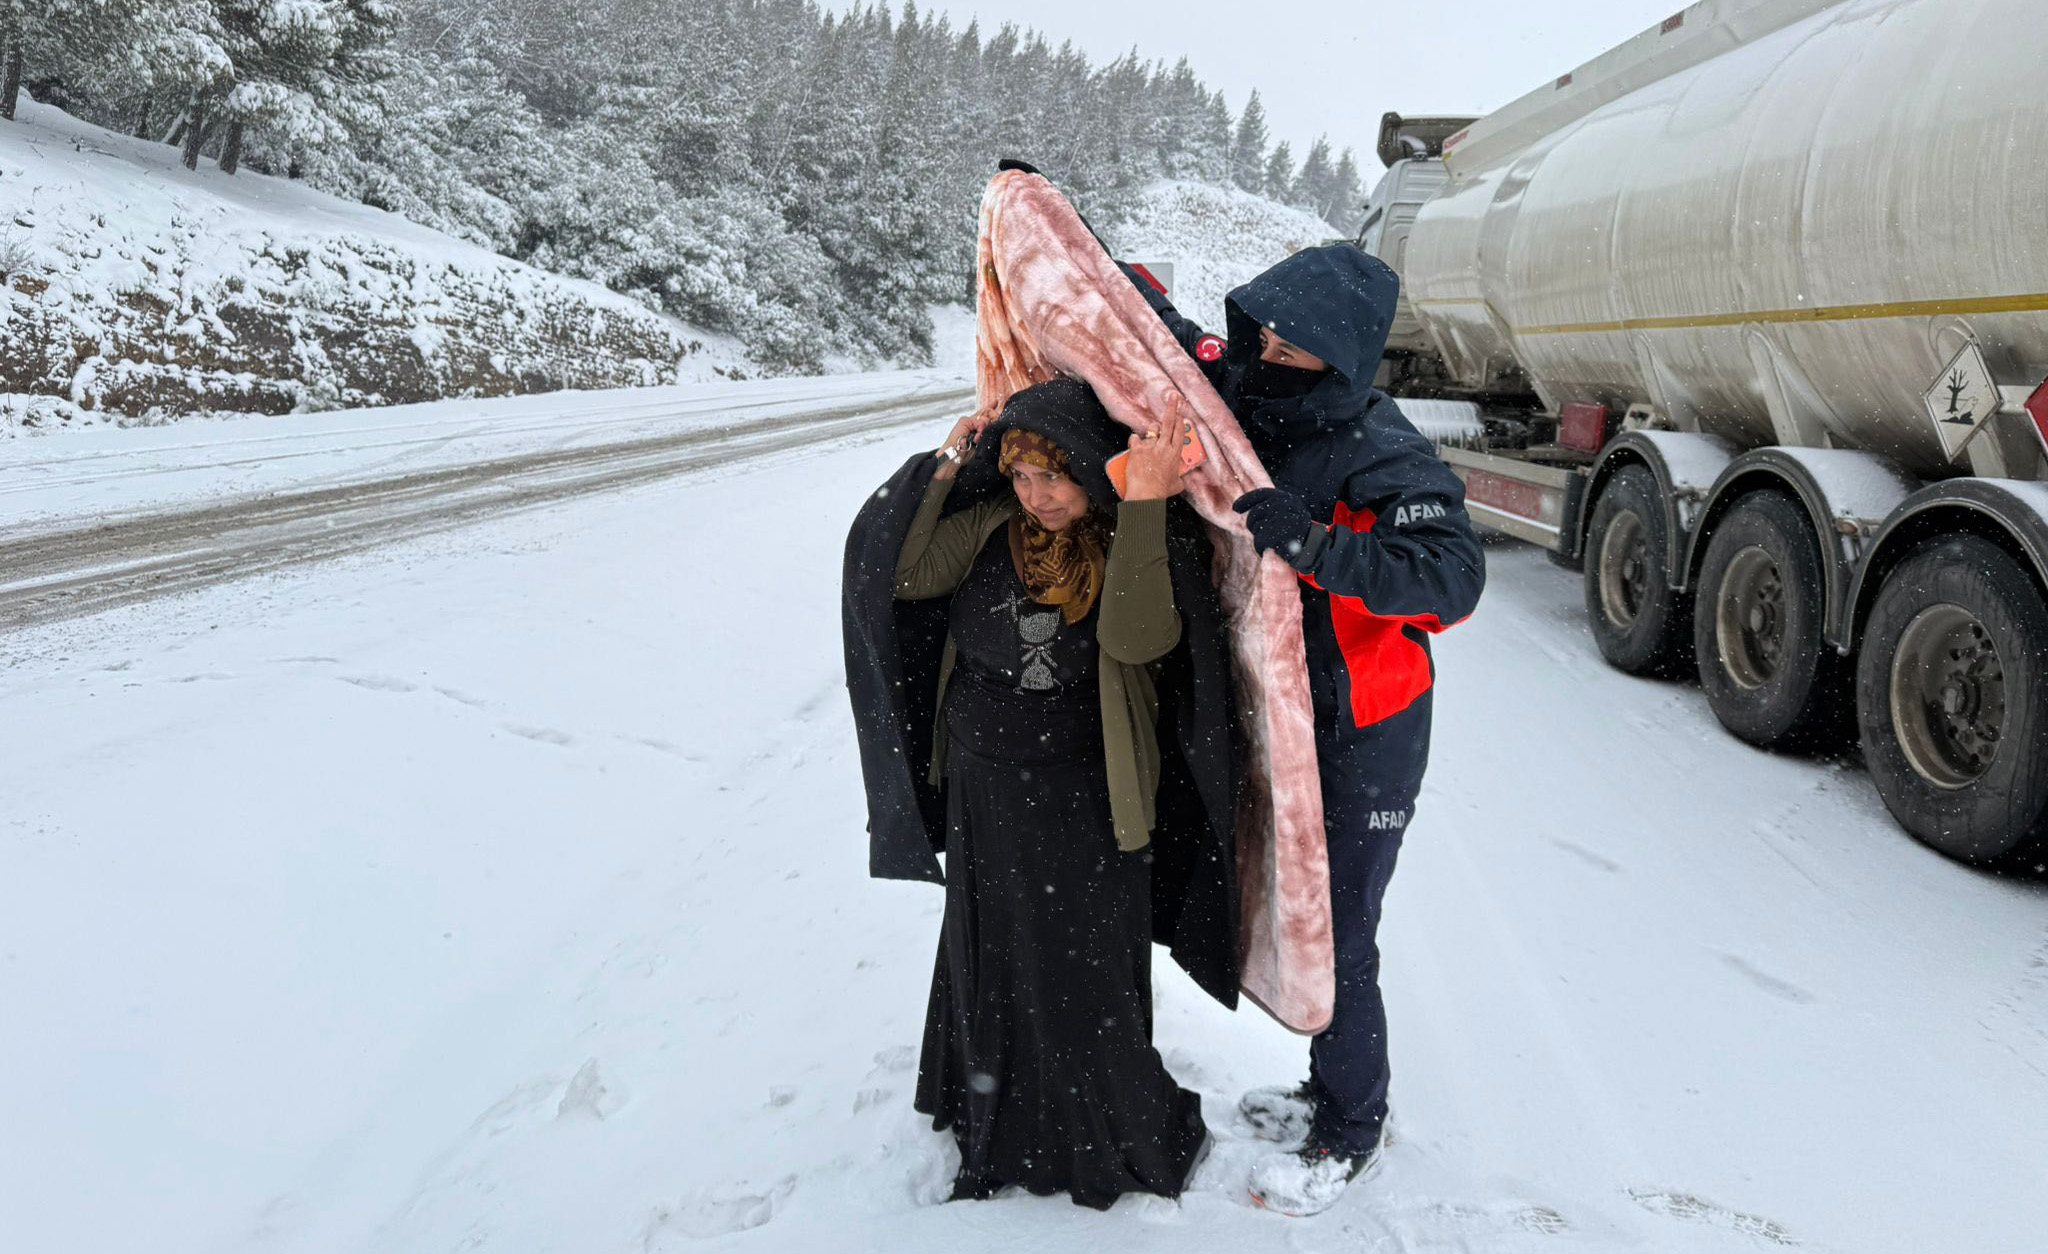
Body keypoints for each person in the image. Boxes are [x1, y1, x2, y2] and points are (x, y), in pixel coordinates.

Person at [1126, 244, 1486, 1216]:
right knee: (1283, 901)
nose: (1268, 351)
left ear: (1343, 357)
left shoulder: (1382, 449)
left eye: (1295, 343)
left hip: (1363, 730)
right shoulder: (1251, 391)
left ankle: (1350, 1123)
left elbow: (1449, 579)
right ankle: (1325, 1086)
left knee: (1341, 932)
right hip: (1279, 711)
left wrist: (1317, 545)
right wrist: (1102, 269)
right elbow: (1170, 347)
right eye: (1265, 331)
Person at [841, 378, 1241, 1210]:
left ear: (1092, 471)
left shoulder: (1133, 533)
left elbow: (1137, 636)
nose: (1039, 496)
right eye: (1022, 477)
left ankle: (1093, 1131)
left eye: (1054, 476)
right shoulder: (993, 526)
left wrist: (1140, 506)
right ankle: (989, 1103)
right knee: (994, 953)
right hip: (986, 789)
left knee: (1084, 965)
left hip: (1089, 794)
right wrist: (950, 464)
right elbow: (906, 571)